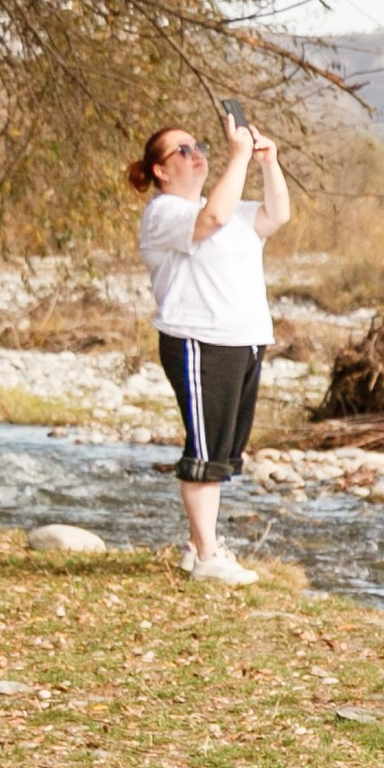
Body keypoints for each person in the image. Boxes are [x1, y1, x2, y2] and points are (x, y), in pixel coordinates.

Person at [129, 115, 290, 582]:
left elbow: (276, 215)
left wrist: (267, 160)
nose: (196, 152)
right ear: (160, 169)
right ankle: (206, 556)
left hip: (244, 338)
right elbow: (212, 218)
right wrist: (237, 155)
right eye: (182, 150)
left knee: (223, 449)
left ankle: (198, 544)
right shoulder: (164, 214)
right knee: (204, 449)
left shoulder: (228, 207)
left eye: (198, 145)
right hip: (198, 338)